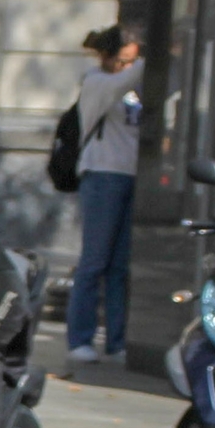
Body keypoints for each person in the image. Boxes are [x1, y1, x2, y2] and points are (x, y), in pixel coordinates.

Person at [67, 22, 144, 364]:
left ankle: (116, 341)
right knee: (94, 261)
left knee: (119, 266)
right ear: (107, 57)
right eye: (122, 60)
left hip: (130, 176)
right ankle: (79, 338)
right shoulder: (96, 82)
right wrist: (152, 61)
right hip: (102, 176)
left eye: (132, 61)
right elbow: (120, 83)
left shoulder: (130, 87)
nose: (127, 67)